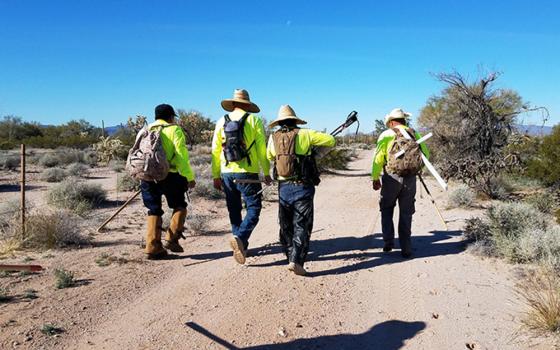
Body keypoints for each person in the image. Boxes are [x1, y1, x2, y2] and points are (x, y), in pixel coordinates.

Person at [266, 105, 336, 276]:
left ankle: (290, 256)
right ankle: (296, 260)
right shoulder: (305, 134)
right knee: (302, 224)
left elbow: (269, 157)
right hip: (303, 186)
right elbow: (331, 141)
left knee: (286, 225)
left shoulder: (273, 137)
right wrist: (313, 154)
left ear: (280, 122)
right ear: (295, 120)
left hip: (284, 188)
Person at [211, 89, 271, 264]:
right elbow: (261, 148)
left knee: (234, 209)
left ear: (233, 104)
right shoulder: (254, 120)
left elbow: (215, 150)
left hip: (226, 172)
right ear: (247, 104)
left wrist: (215, 175)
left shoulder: (221, 121)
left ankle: (240, 243)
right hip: (248, 173)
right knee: (254, 208)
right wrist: (266, 172)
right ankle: (241, 238)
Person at [371, 108, 429, 258]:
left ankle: (388, 242)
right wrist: (414, 168)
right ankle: (406, 247)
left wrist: (375, 177)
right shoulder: (414, 133)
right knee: (406, 213)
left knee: (386, 208)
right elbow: (426, 155)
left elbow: (378, 158)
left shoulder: (386, 134)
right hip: (410, 178)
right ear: (404, 120)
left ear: (391, 122)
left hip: (392, 177)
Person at [140, 104, 196, 259]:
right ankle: (171, 239)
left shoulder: (146, 130)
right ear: (171, 116)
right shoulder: (174, 130)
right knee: (179, 205)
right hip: (169, 175)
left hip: (147, 175)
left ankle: (152, 247)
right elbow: (181, 156)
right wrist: (189, 177)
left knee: (153, 209)